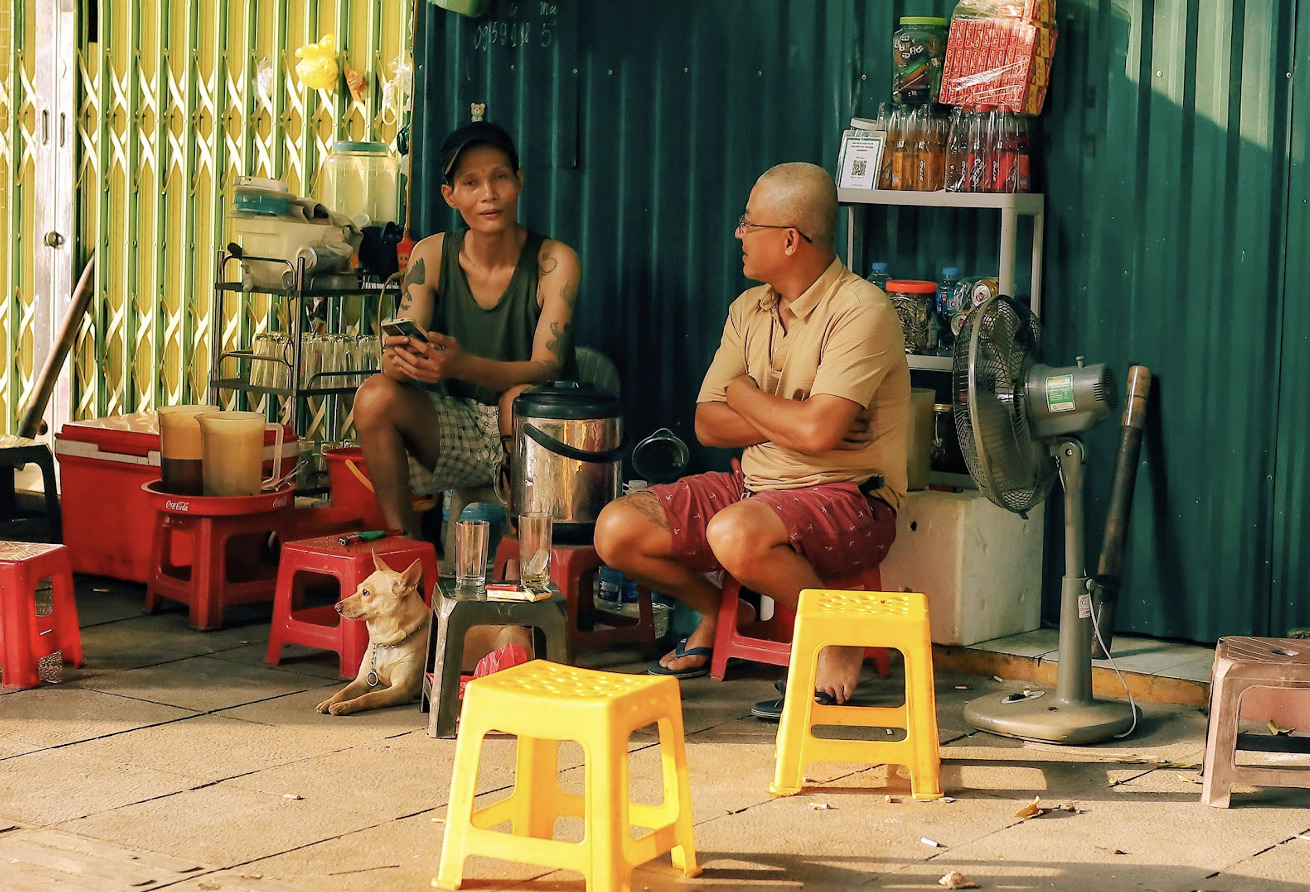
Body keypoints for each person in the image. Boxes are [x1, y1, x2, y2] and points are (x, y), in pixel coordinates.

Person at [593, 161, 910, 713]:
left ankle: (835, 632)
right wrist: (796, 416)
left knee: (734, 533)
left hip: (849, 496)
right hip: (754, 485)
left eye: (749, 223)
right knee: (616, 528)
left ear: (790, 240)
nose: (738, 234)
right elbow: (707, 423)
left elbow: (818, 433)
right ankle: (721, 611)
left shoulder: (862, 309)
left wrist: (745, 396)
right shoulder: (749, 308)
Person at [354, 121, 580, 541]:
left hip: (540, 432)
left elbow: (547, 368)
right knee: (373, 397)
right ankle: (405, 548)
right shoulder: (432, 254)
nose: (488, 194)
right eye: (471, 182)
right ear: (450, 195)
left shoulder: (555, 260)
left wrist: (462, 365)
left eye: (499, 177)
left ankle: (522, 554)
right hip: (458, 429)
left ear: (519, 181)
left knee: (517, 399)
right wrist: (401, 361)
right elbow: (404, 351)